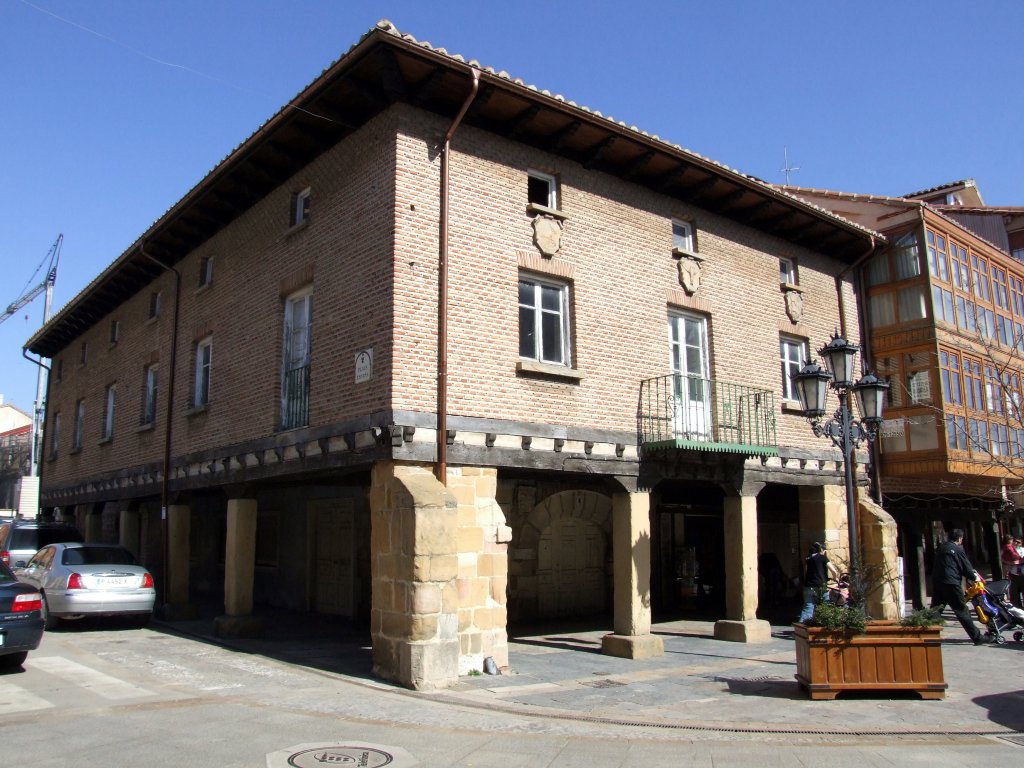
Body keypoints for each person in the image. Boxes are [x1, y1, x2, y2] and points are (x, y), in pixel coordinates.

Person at [931, 529, 990, 645]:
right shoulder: (958, 549)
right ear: (960, 538)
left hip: (938, 582)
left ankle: (925, 633)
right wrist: (974, 578)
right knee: (961, 610)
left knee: (936, 609)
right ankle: (977, 637)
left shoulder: (941, 548)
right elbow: (966, 567)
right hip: (952, 583)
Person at [798, 542, 838, 623]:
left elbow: (805, 573)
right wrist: (835, 578)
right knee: (825, 606)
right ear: (821, 549)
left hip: (808, 586)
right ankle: (825, 624)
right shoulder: (823, 557)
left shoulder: (808, 559)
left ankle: (802, 626)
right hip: (820, 586)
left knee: (808, 607)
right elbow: (833, 570)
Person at [1000, 534, 1022, 608]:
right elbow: (1002, 560)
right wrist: (1011, 563)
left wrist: (1018, 562)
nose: (1016, 543)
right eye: (1015, 542)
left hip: (1018, 573)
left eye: (1019, 542)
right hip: (1014, 573)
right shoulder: (1008, 549)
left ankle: (1018, 607)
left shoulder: (1020, 550)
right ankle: (1017, 608)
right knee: (1014, 594)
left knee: (1015, 593)